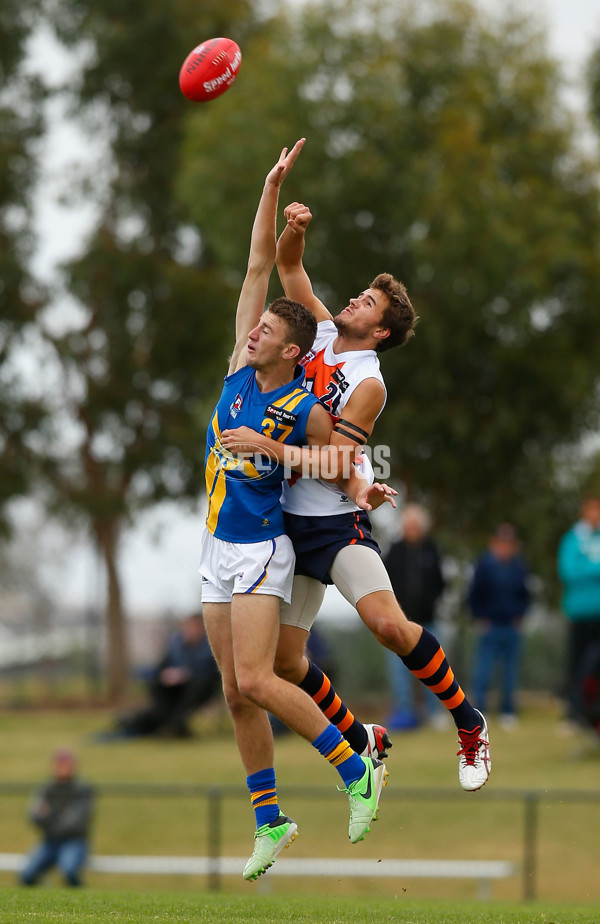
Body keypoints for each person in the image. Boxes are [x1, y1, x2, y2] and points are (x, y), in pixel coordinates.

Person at [222, 196, 491, 792]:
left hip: (334, 523)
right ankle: (360, 736)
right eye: (358, 296)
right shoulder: (315, 331)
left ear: (380, 329)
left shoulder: (369, 384)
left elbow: (339, 460)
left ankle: (469, 723)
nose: (351, 302)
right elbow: (290, 268)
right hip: (281, 524)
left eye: (365, 303)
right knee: (285, 664)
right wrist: (295, 229)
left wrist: (273, 451)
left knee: (390, 628)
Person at [199, 140, 388, 884]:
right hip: (215, 544)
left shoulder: (299, 404)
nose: (254, 332)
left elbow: (337, 460)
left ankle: (354, 769)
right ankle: (271, 820)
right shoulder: (240, 371)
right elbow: (257, 265)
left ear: (290, 350)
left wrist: (278, 454)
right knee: (231, 689)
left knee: (259, 678)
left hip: (261, 550)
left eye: (269, 332)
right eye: (257, 329)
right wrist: (271, 187)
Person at [383, 503, 447, 731]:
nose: (411, 531)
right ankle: (406, 714)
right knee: (399, 671)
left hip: (428, 622)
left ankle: (434, 713)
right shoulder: (394, 551)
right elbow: (385, 583)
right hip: (399, 623)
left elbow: (441, 583)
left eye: (415, 527)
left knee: (434, 668)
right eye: (408, 526)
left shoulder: (432, 549)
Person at [112, 612, 221, 739]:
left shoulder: (210, 647)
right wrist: (164, 675)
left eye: (195, 627)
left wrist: (186, 674)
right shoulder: (176, 644)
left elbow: (212, 671)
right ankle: (158, 722)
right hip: (174, 688)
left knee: (194, 688)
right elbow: (161, 666)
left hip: (199, 688)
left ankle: (173, 724)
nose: (191, 631)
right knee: (157, 686)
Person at [468, 524, 531, 729]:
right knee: (484, 671)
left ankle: (508, 710)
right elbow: (474, 595)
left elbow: (525, 595)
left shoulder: (518, 567)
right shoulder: (484, 566)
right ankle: (480, 712)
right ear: (494, 543)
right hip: (490, 626)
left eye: (509, 543)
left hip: (511, 626)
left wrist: (520, 616)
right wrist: (480, 617)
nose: (505, 547)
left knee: (510, 672)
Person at [20, 749, 94, 887]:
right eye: (59, 764)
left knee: (69, 871)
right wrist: (56, 819)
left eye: (66, 764)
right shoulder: (46, 789)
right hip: (49, 842)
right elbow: (34, 815)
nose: (62, 767)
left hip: (74, 841)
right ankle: (34, 905)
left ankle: (79, 903)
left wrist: (49, 817)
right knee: (27, 875)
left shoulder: (82, 789)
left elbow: (77, 821)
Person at [557, 495, 600, 731]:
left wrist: (587, 568)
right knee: (577, 665)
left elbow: (580, 570)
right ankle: (573, 714)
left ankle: (595, 714)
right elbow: (569, 572)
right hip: (579, 613)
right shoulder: (572, 539)